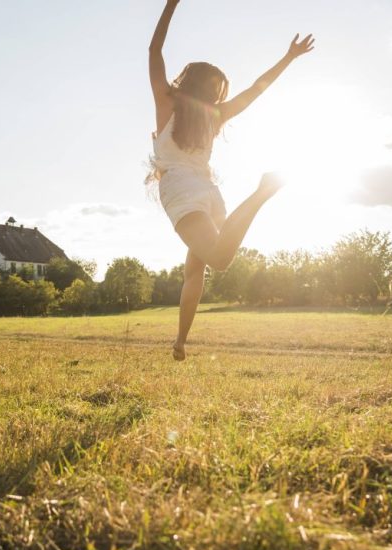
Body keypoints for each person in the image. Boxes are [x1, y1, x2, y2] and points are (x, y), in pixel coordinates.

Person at [148, 0, 314, 361]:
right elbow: (256, 89)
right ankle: (179, 342)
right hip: (209, 193)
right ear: (213, 94)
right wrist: (288, 57)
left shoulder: (167, 102)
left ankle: (261, 193)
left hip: (180, 189)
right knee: (195, 270)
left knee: (219, 259)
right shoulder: (215, 116)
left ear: (185, 80)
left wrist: (170, 5)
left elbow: (154, 49)